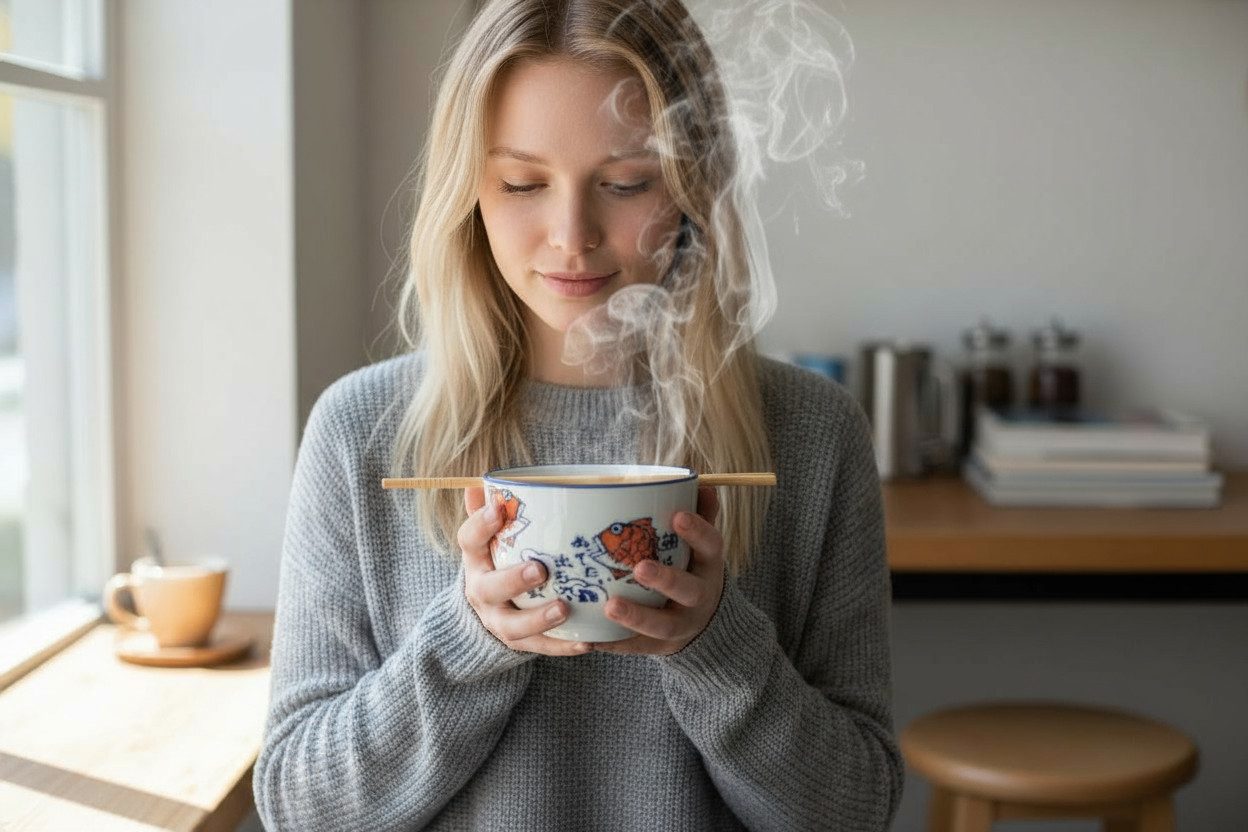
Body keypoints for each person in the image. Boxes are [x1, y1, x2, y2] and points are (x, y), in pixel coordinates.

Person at [253, 1, 902, 829]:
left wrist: (715, 649)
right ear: (469, 193)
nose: (572, 235)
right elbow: (299, 810)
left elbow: (856, 810)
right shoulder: (362, 431)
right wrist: (469, 642)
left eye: (627, 183)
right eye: (522, 183)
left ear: (693, 188)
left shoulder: (810, 433)